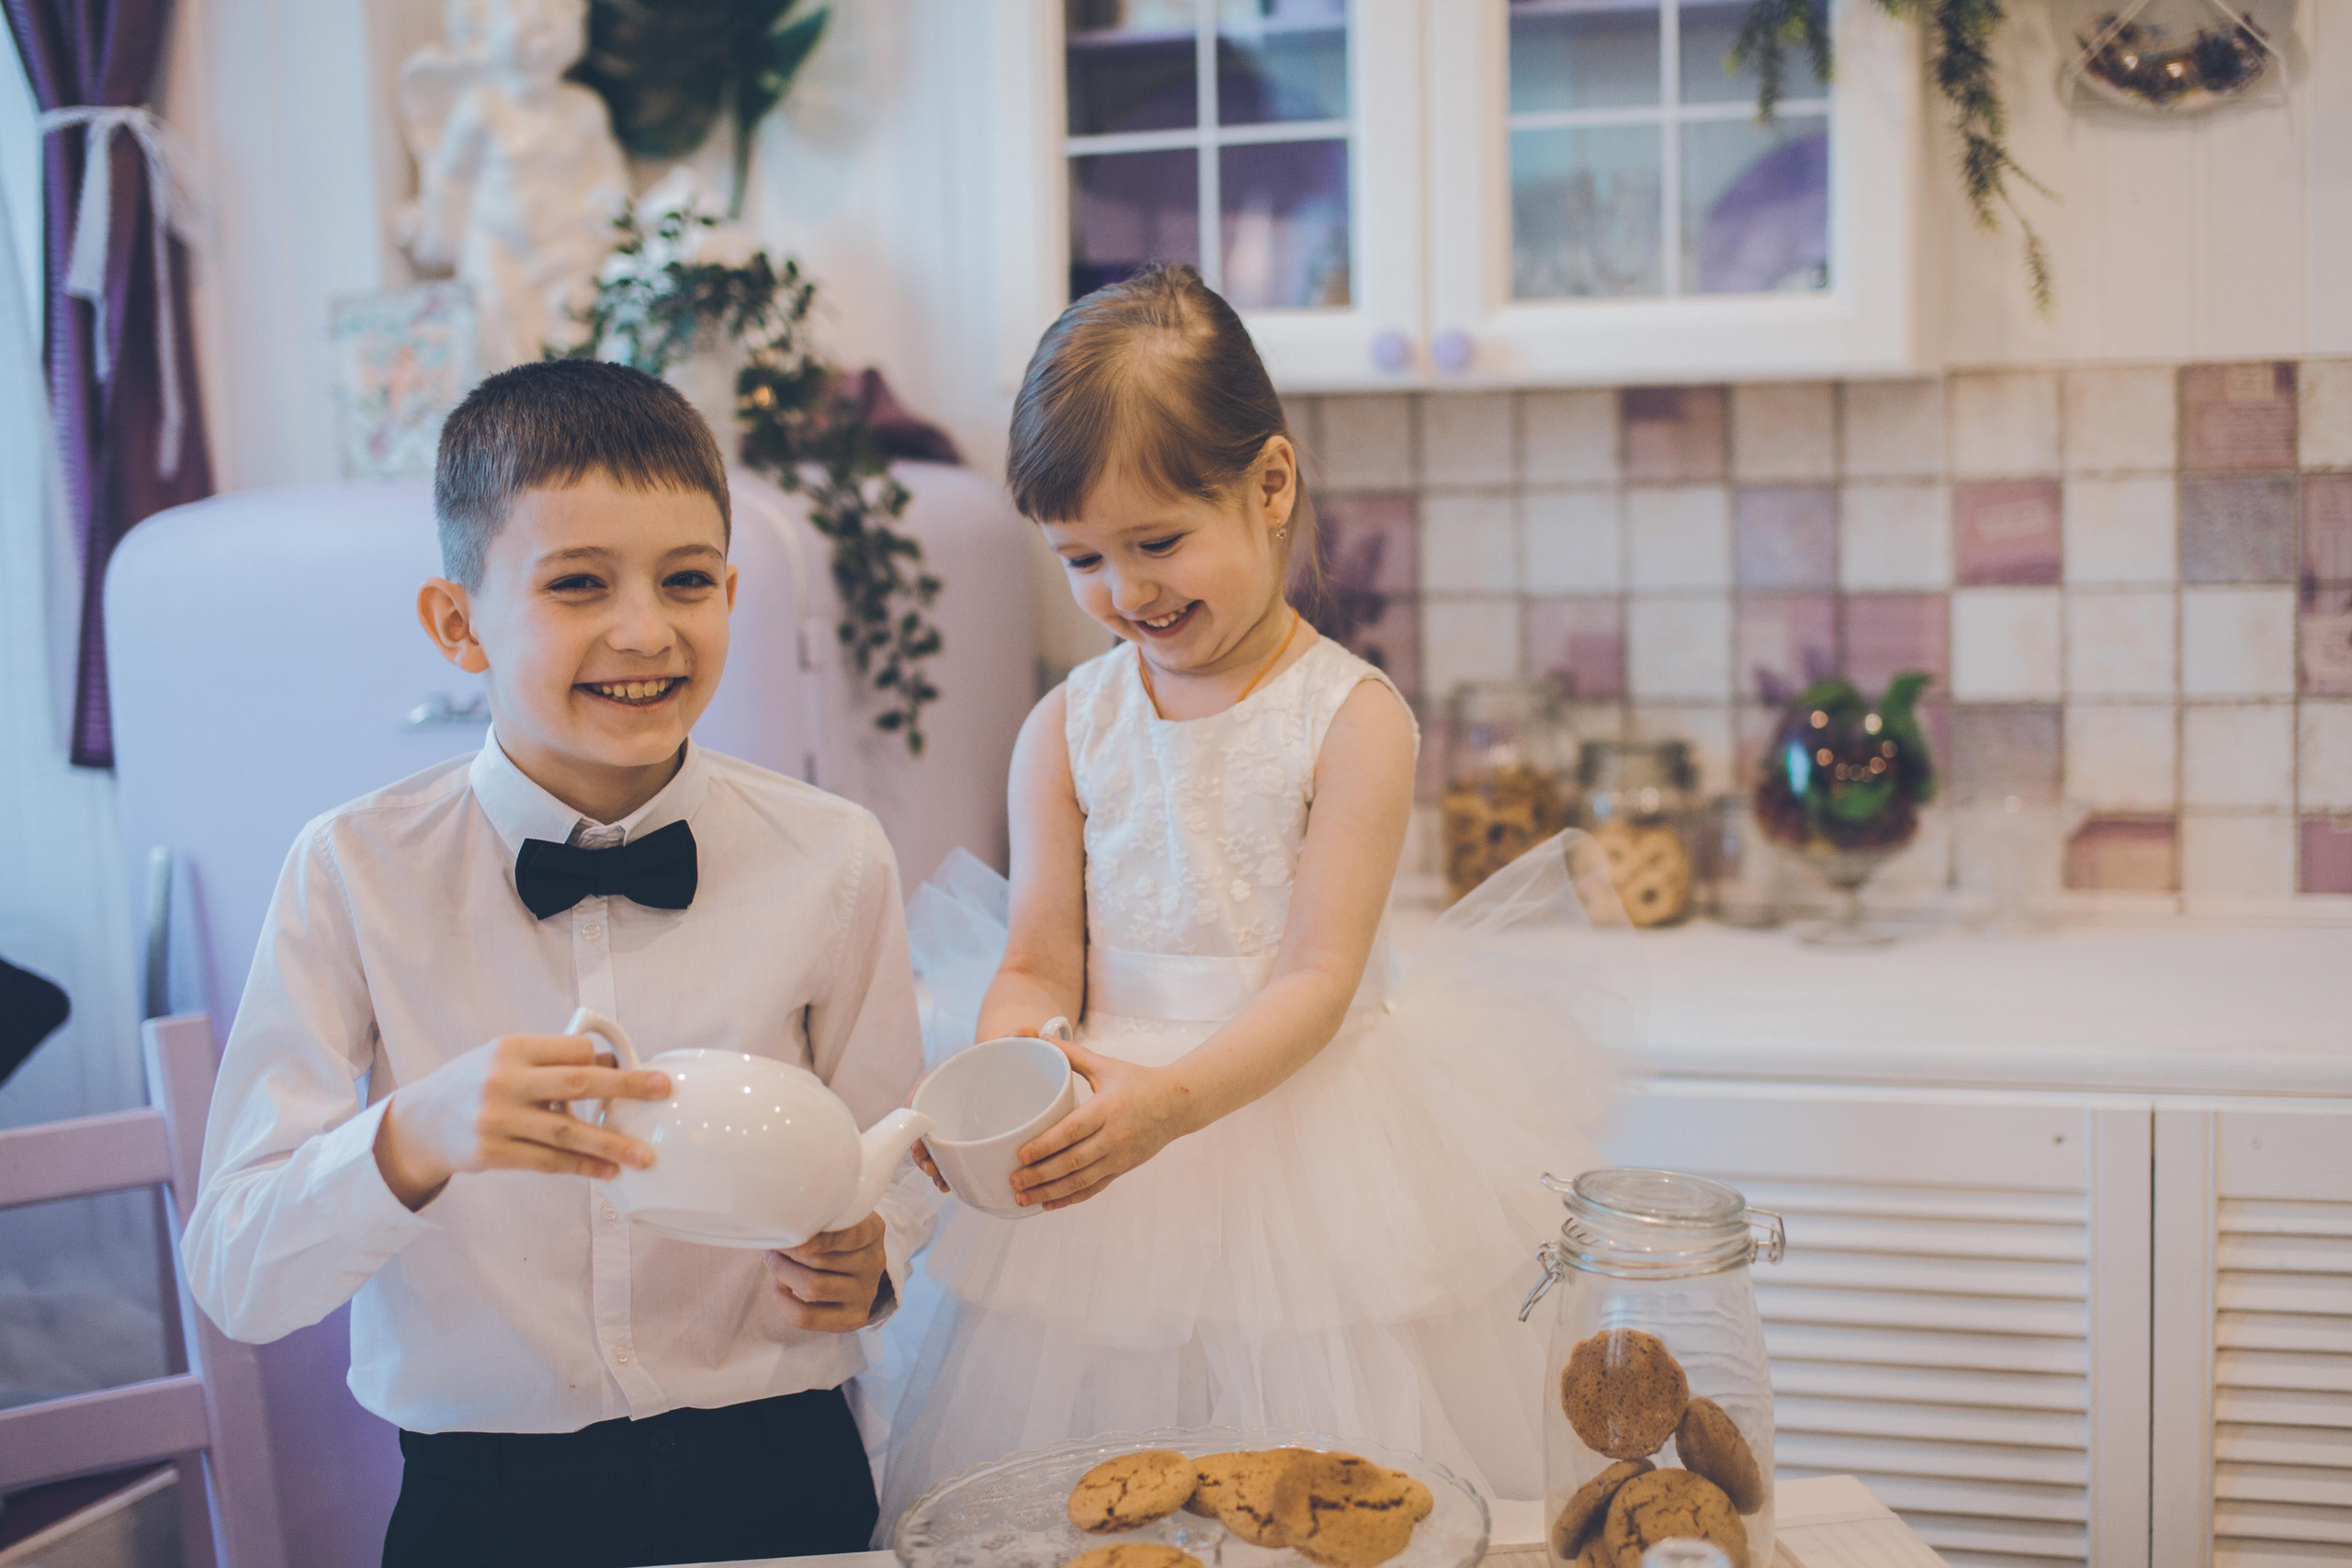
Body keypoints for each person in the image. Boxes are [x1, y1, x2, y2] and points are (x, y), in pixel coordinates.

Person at [876, 265, 1634, 1529]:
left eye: (1159, 542)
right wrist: (1011, 1076)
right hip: (1106, 1160)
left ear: (1270, 485)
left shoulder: (1352, 719)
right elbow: (1036, 963)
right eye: (1082, 558)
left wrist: (1171, 1105)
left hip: (1305, 1135)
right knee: (1099, 1505)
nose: (1127, 592)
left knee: (1321, 1496)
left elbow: (1319, 982)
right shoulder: (1063, 727)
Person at [183, 360, 935, 1568]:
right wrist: (412, 1137)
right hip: (485, 1503)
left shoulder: (835, 856)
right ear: (457, 622)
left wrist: (874, 1257)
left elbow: (896, 1153)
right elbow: (237, 1275)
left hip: (785, 1469)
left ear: (732, 592)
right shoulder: (350, 872)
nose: (646, 630)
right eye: (578, 583)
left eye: (687, 580)